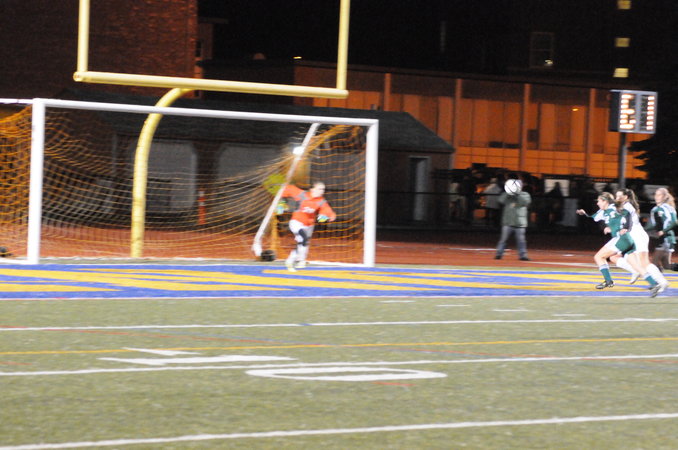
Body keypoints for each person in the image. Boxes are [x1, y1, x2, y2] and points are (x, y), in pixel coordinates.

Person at [576, 192, 656, 293]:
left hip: (621, 239)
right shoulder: (603, 211)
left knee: (599, 257)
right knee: (636, 266)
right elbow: (593, 217)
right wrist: (584, 214)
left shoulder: (615, 207)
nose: (597, 203)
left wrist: (626, 227)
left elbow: (628, 214)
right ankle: (654, 283)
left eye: (599, 201)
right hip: (625, 239)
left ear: (605, 201)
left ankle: (608, 281)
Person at [615, 188, 669, 296]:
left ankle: (662, 282)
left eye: (620, 196)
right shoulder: (625, 206)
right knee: (618, 256)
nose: (617, 198)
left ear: (626, 197)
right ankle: (635, 270)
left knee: (644, 262)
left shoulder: (626, 207)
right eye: (616, 196)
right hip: (633, 236)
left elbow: (625, 222)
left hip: (637, 236)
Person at [280, 181, 336, 271]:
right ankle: (291, 261)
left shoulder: (321, 201)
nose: (322, 191)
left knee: (302, 243)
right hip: (296, 222)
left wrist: (328, 216)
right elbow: (288, 189)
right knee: (303, 238)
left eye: (323, 189)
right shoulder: (302, 195)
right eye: (319, 189)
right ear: (312, 189)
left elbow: (328, 212)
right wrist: (281, 202)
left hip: (309, 225)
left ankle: (300, 260)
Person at [494, 178, 531, 261]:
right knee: (503, 239)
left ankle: (523, 255)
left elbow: (525, 202)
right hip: (508, 222)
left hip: (519, 223)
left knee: (521, 240)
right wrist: (508, 192)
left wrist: (517, 194)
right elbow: (500, 200)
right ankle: (499, 254)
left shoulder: (525, 194)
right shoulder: (507, 195)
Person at [645, 187, 677, 271]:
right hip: (662, 239)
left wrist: (663, 231)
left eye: (659, 195)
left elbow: (675, 222)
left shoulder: (667, 208)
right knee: (667, 265)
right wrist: (642, 229)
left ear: (664, 196)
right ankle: (659, 277)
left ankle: (656, 279)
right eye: (656, 194)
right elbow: (652, 225)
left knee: (654, 264)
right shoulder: (655, 209)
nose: (656, 197)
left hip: (666, 239)